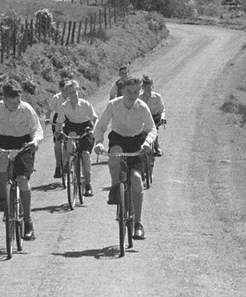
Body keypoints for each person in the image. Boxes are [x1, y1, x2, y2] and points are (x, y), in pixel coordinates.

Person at [93, 75, 157, 240]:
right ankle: (115, 187)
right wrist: (99, 143)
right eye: (129, 91)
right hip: (119, 138)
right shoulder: (113, 105)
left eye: (136, 91)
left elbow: (152, 129)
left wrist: (148, 143)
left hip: (137, 141)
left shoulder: (142, 106)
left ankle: (138, 223)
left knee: (136, 180)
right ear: (123, 90)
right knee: (114, 154)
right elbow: (100, 126)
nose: (133, 95)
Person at [0, 83, 42, 241]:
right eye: (13, 102)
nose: (17, 104)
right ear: (4, 99)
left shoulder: (26, 109)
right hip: (3, 142)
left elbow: (37, 129)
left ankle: (28, 222)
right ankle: (2, 199)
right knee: (1, 161)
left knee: (22, 180)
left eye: (19, 100)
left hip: (23, 143)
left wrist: (35, 141)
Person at [55, 79, 97, 196]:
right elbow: (59, 121)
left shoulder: (85, 104)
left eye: (74, 91)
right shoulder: (64, 106)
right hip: (72, 126)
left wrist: (93, 129)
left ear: (78, 91)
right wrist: (57, 132)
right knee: (70, 138)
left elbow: (94, 118)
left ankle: (88, 184)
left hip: (85, 127)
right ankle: (68, 164)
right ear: (67, 94)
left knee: (85, 154)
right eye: (70, 92)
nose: (73, 95)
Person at [138, 74, 166, 184]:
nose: (148, 89)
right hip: (143, 119)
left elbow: (162, 109)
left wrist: (163, 118)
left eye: (150, 86)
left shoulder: (157, 97)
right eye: (146, 87)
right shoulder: (139, 98)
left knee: (154, 131)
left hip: (155, 117)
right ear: (143, 87)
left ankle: (156, 147)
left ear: (152, 86)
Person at [46, 76, 71, 180]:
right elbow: (49, 110)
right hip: (58, 120)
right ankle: (58, 166)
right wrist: (48, 119)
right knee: (57, 143)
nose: (66, 91)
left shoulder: (72, 96)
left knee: (70, 141)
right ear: (61, 89)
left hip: (70, 118)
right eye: (64, 88)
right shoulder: (56, 98)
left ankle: (69, 162)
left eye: (68, 88)